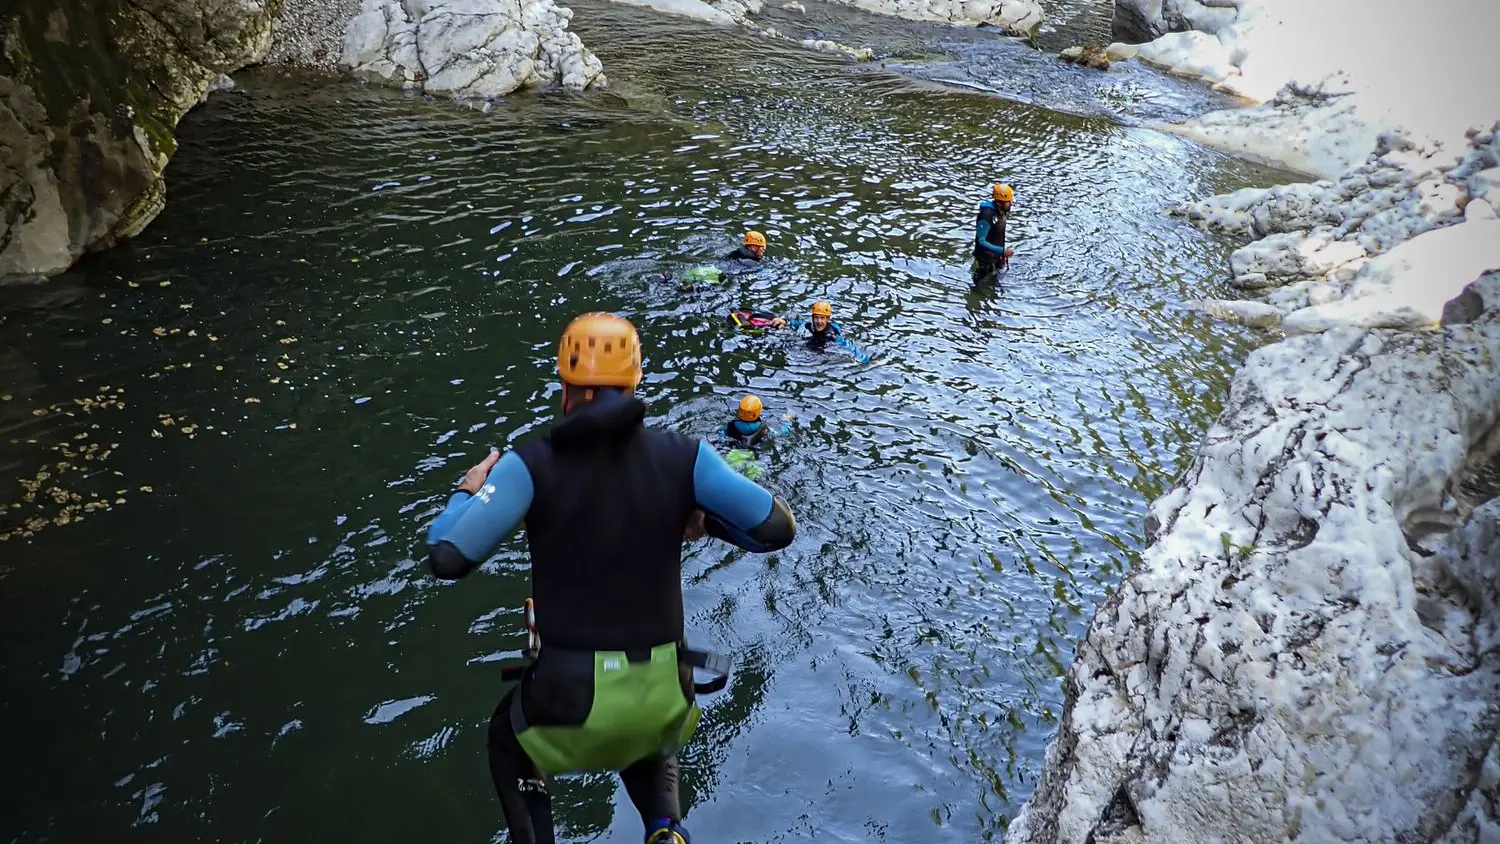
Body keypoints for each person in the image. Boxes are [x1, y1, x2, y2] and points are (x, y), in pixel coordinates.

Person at [424, 312, 797, 844]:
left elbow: (447, 557)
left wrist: (466, 491)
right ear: (635, 379)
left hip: (565, 695)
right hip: (665, 690)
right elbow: (776, 529)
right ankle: (665, 829)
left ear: (564, 387)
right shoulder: (686, 458)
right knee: (647, 740)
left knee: (508, 741)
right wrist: (705, 520)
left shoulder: (529, 464)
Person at [767, 301, 873, 362]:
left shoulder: (832, 335)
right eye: (816, 318)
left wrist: (865, 360)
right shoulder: (810, 326)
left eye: (822, 318)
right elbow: (799, 324)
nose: (819, 321)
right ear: (813, 318)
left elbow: (850, 347)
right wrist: (785, 322)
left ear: (828, 319)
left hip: (824, 347)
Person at [973, 183, 1016, 280]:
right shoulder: (986, 215)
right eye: (1008, 202)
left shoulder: (1001, 213)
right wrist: (1002, 251)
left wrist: (1002, 253)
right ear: (999, 203)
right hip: (985, 259)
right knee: (982, 284)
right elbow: (981, 240)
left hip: (997, 256)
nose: (1010, 203)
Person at [723, 394, 794, 448]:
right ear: (759, 411)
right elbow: (781, 434)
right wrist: (786, 422)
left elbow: (722, 434)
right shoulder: (763, 428)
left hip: (733, 449)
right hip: (752, 453)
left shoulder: (731, 425)